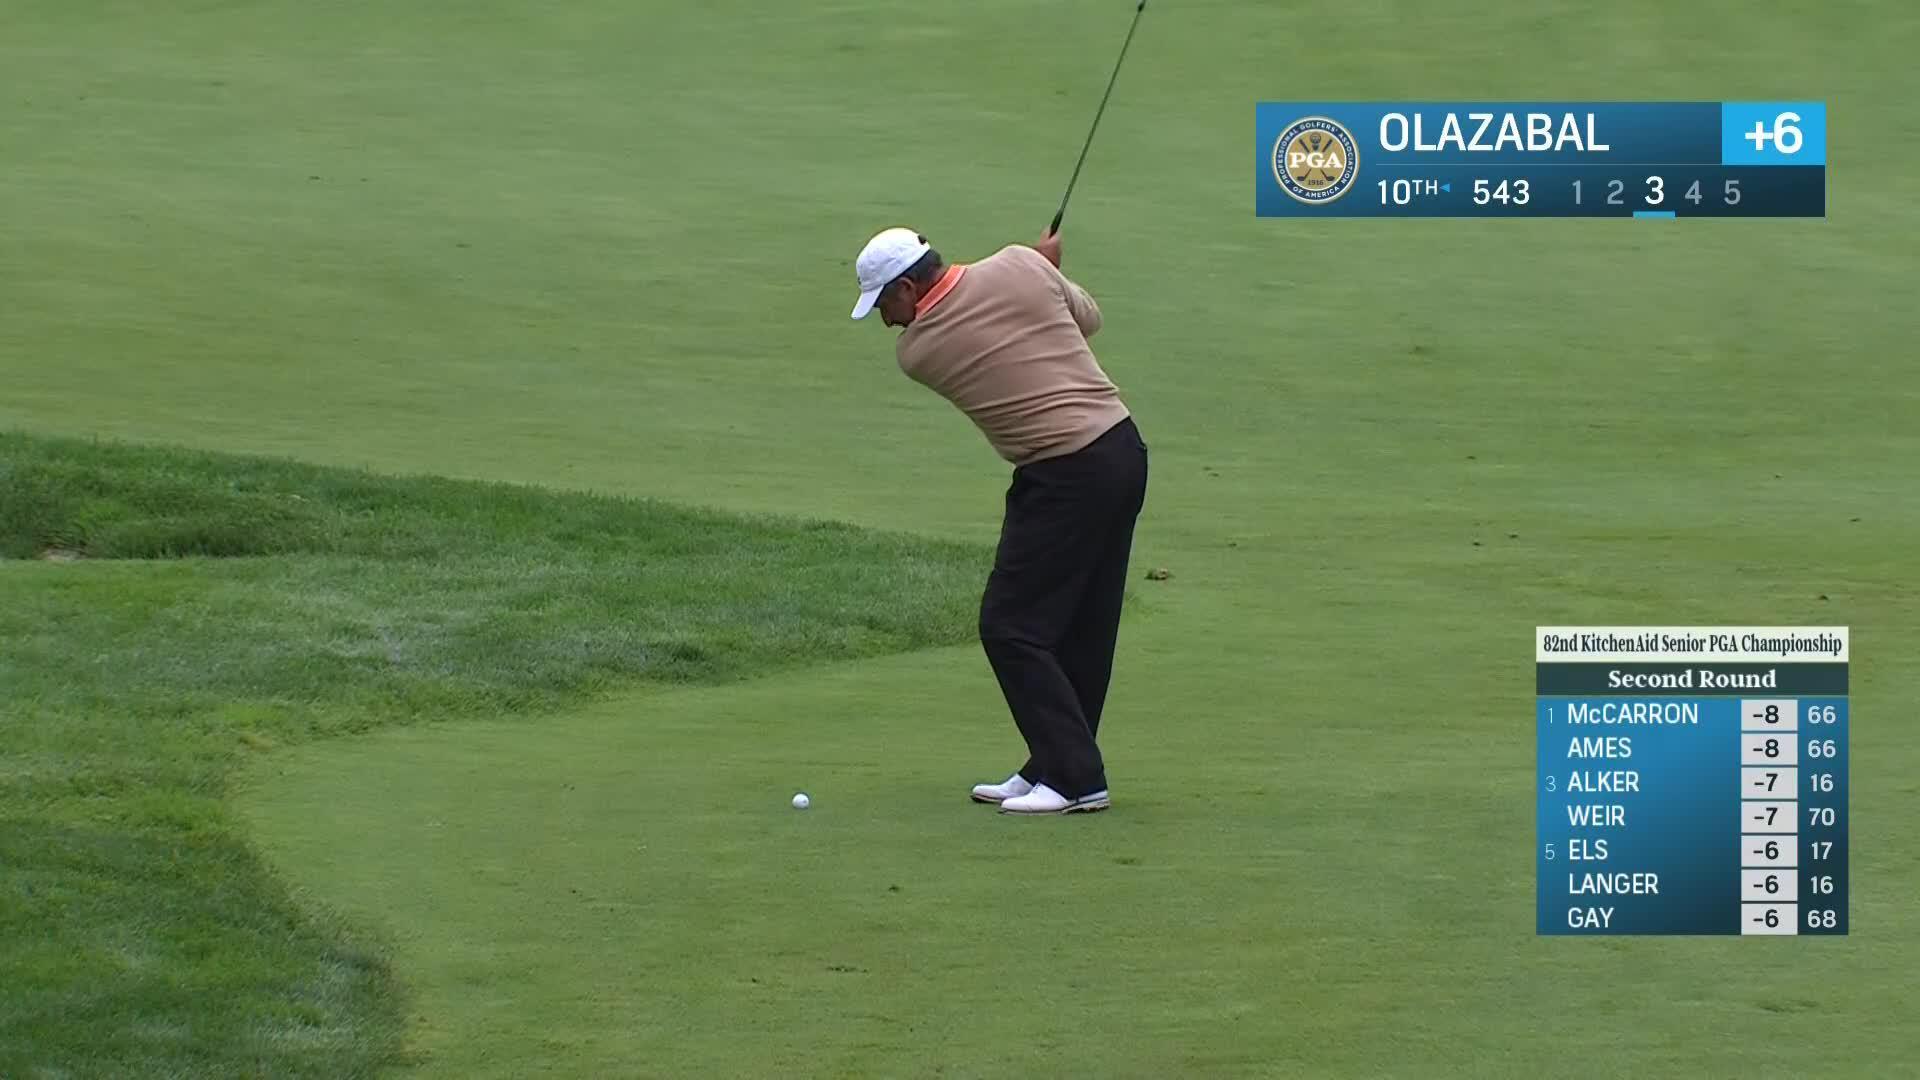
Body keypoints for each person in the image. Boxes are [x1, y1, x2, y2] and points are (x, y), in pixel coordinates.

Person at [849, 226, 1149, 815]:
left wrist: (1037, 272)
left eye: (884, 304)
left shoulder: (919, 350)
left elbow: (984, 317)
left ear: (907, 288)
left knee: (1011, 626)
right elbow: (1087, 320)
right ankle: (1055, 765)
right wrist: (1043, 271)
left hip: (1065, 475)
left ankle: (1075, 778)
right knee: (1082, 624)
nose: (887, 322)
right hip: (1120, 452)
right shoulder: (1019, 265)